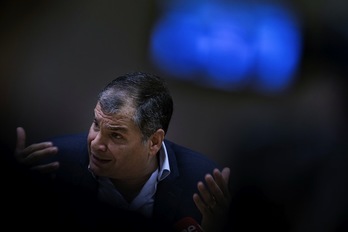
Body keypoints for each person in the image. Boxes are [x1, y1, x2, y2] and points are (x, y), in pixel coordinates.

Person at [14, 71, 231, 231]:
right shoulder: (54, 163)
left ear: (154, 142)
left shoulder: (201, 185)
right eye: (96, 125)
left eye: (116, 135)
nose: (96, 144)